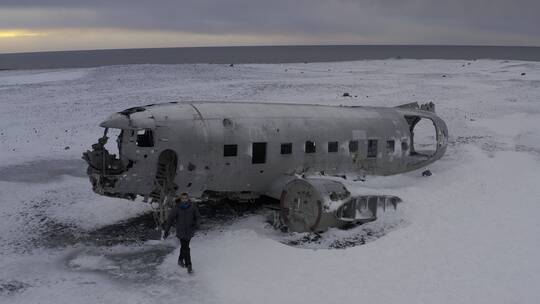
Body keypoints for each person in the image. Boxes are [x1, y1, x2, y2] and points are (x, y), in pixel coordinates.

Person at [163, 193, 201, 273]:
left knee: (184, 247)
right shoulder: (176, 208)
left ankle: (180, 260)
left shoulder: (192, 207)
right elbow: (170, 220)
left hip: (190, 231)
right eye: (183, 199)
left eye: (186, 198)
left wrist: (197, 224)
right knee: (186, 248)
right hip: (181, 231)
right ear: (180, 199)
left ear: (188, 199)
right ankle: (189, 265)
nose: (184, 200)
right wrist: (166, 231)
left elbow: (198, 217)